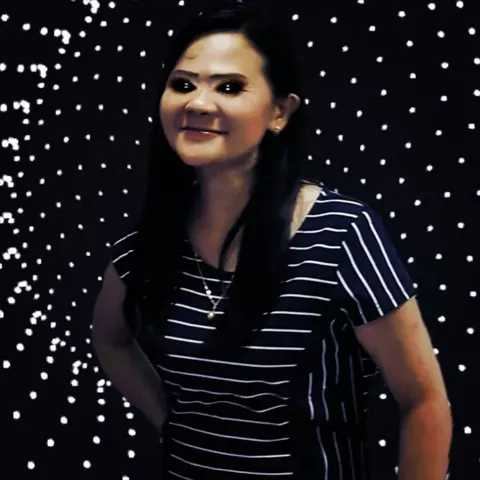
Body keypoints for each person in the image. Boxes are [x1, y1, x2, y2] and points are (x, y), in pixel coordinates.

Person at [91, 2, 452, 479]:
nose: (198, 103)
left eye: (229, 87)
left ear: (280, 112)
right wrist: (173, 426)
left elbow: (423, 400)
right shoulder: (151, 240)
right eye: (183, 84)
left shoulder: (339, 232)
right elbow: (109, 340)